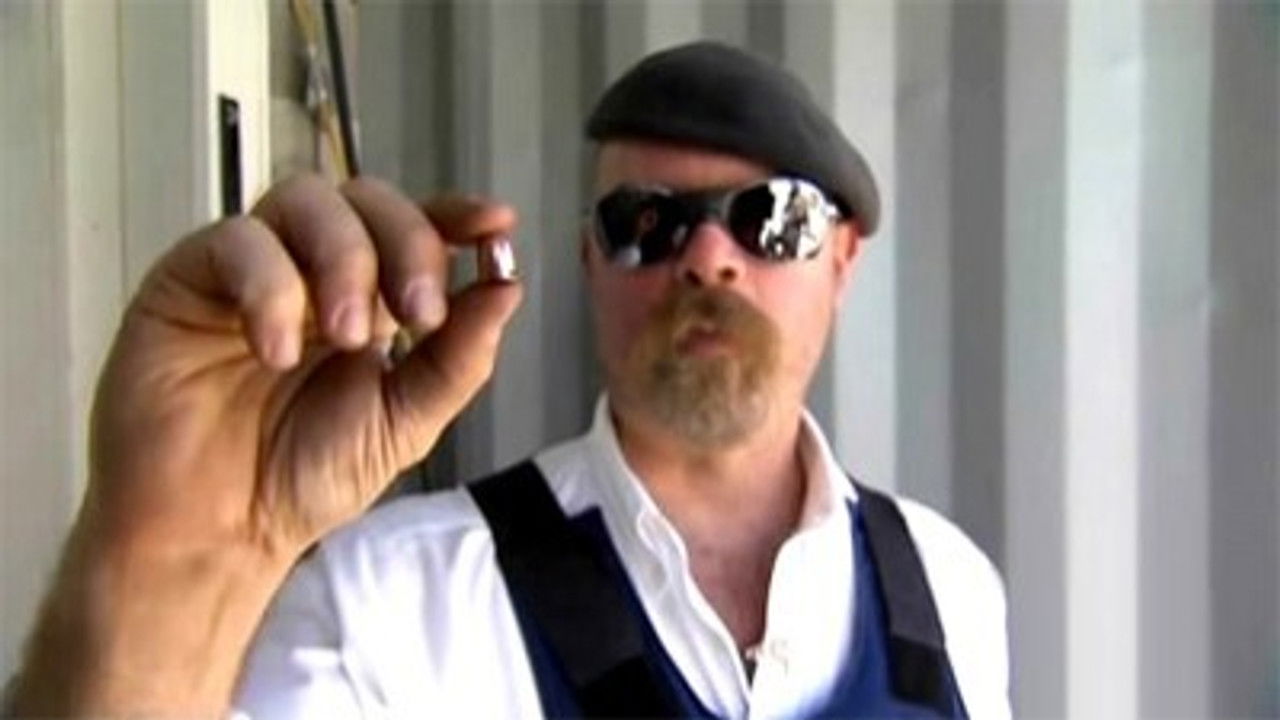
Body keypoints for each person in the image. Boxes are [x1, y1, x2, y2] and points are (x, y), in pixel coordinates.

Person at [7, 42, 1009, 718]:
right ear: (587, 259)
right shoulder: (394, 606)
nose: (709, 259)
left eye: (770, 219)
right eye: (647, 222)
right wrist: (173, 557)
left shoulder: (947, 588)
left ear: (841, 259)